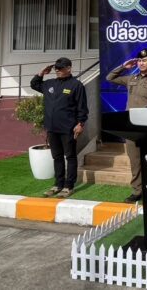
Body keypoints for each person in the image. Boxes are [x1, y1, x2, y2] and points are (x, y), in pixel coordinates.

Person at [106, 48, 147, 203]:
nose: (141, 63)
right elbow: (110, 78)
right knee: (135, 160)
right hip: (131, 127)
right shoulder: (131, 78)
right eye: (139, 60)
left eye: (144, 60)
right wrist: (124, 66)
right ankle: (137, 190)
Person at [31, 57, 88, 198]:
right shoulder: (49, 84)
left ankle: (69, 186)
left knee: (70, 156)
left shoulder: (76, 85)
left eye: (61, 68)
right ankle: (58, 184)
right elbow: (34, 84)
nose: (57, 70)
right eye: (56, 68)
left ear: (69, 68)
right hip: (52, 128)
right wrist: (41, 73)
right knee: (57, 157)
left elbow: (82, 107)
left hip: (68, 128)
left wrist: (80, 123)